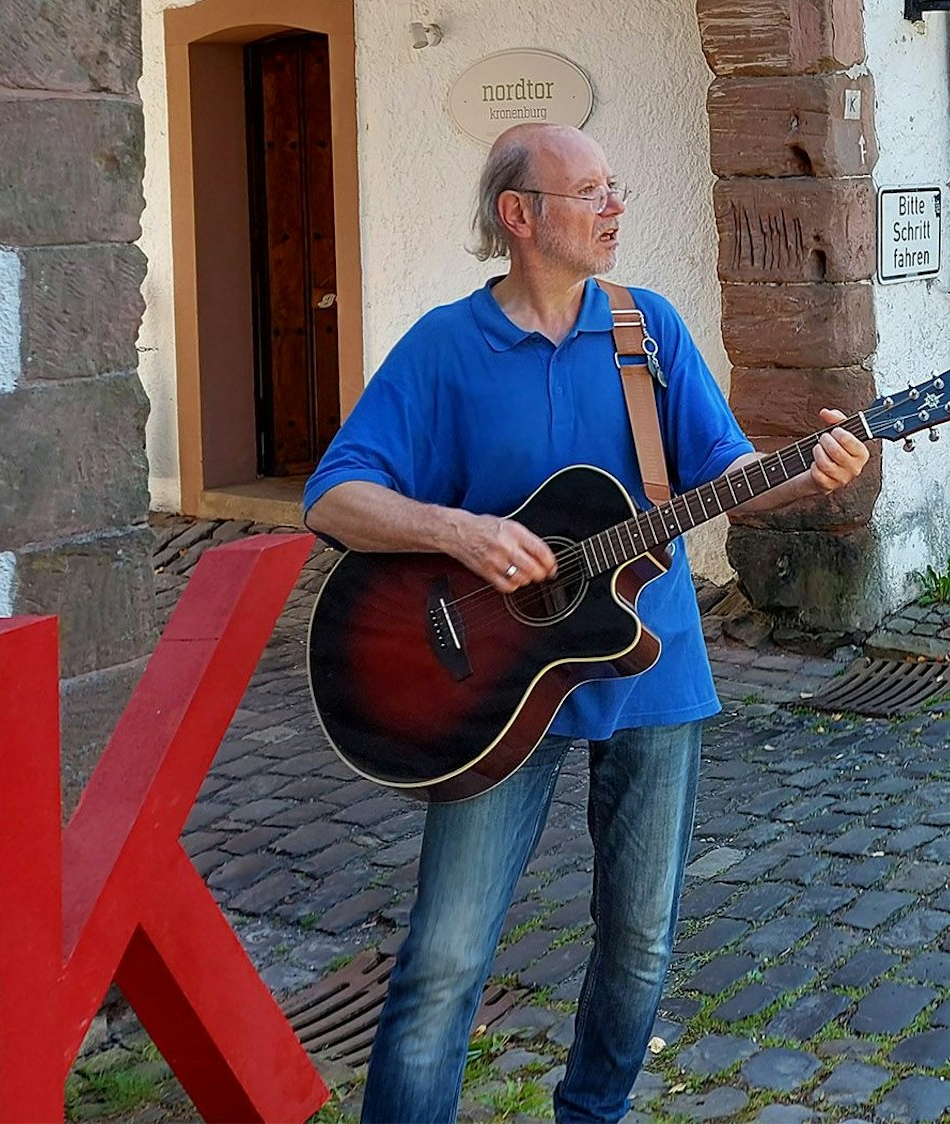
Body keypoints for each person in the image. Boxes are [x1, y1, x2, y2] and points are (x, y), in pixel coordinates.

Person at [304, 122, 871, 1124]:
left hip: (649, 673)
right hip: (487, 689)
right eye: (589, 192)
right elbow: (333, 496)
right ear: (517, 216)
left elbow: (728, 475)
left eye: (615, 188)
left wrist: (807, 473)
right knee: (442, 954)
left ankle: (592, 1112)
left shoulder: (645, 329)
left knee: (639, 939)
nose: (615, 208)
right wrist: (459, 531)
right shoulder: (446, 347)